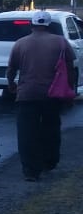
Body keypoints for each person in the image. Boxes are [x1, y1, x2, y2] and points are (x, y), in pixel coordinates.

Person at [6, 10, 75, 181]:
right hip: (52, 95)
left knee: (27, 133)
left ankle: (30, 170)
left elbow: (11, 69)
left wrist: (11, 84)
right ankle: (49, 161)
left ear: (32, 25)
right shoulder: (60, 42)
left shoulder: (20, 44)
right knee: (51, 129)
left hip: (27, 94)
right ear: (49, 25)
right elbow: (71, 68)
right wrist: (70, 89)